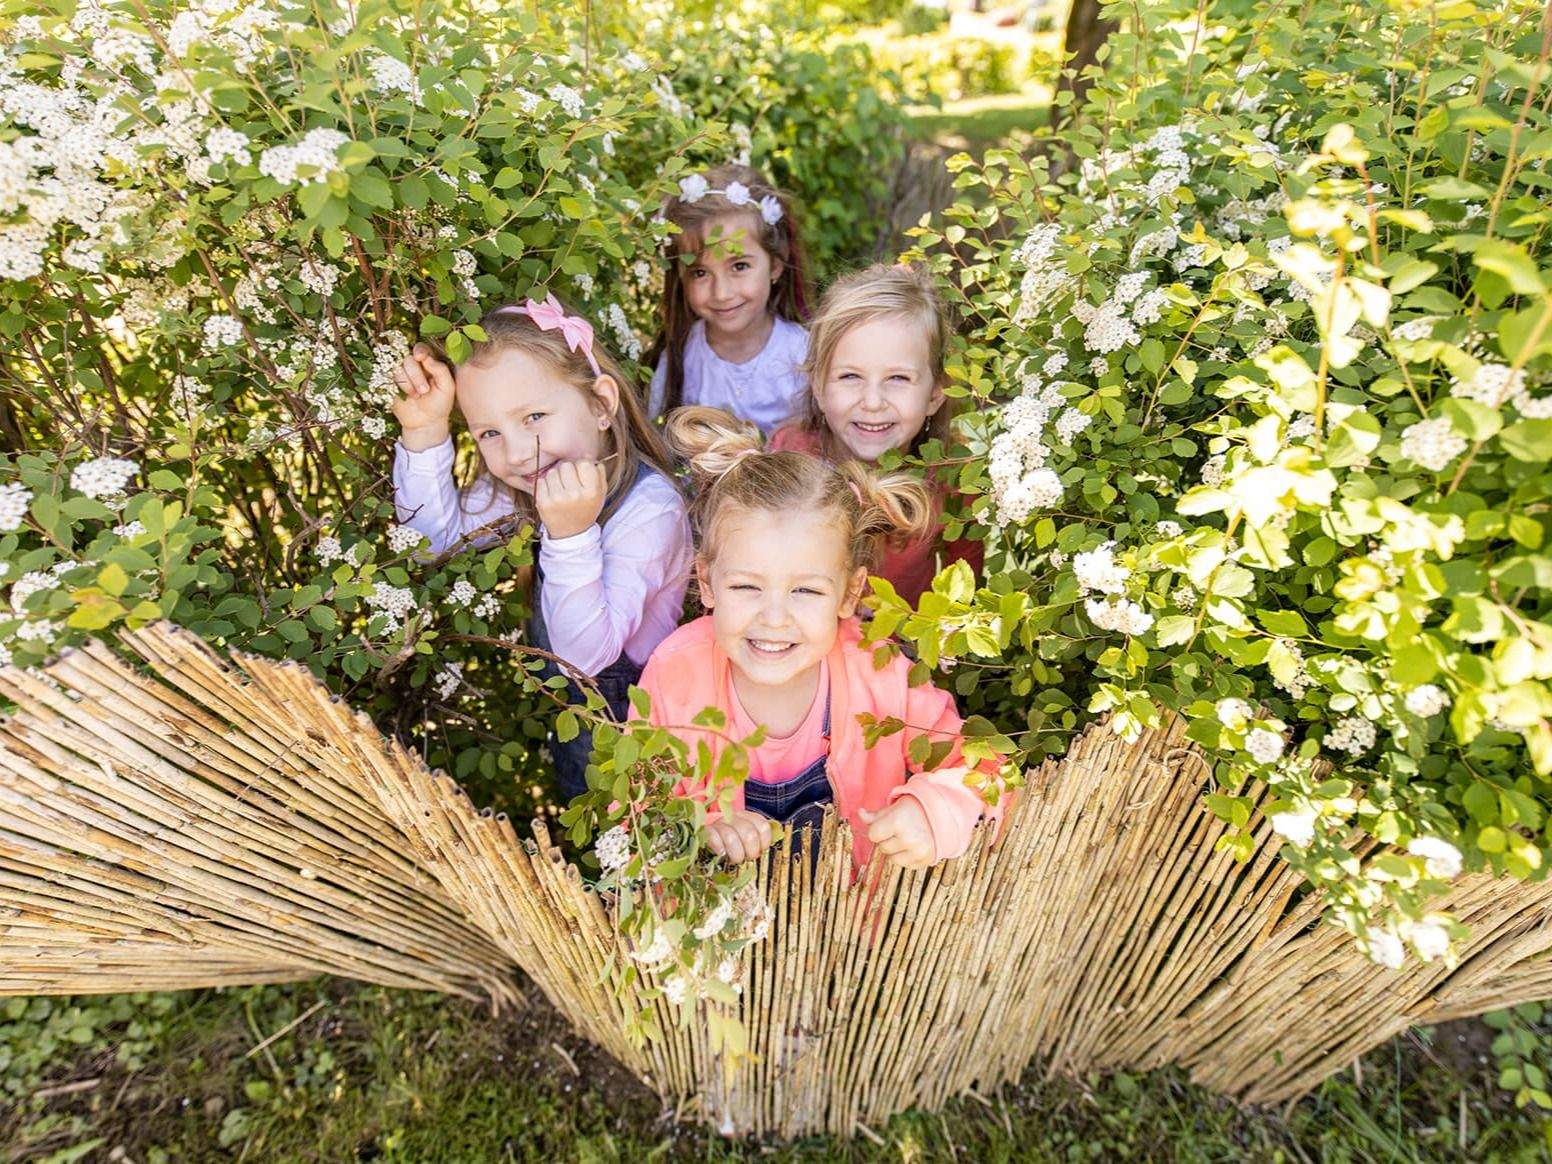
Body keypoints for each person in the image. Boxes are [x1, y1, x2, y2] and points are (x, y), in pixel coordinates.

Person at [638, 406, 1002, 874]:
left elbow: (986, 770)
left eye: (806, 591)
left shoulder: (881, 672)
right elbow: (634, 811)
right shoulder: (675, 674)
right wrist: (697, 828)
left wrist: (934, 808)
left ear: (849, 593)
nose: (774, 618)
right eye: (746, 587)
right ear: (707, 582)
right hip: (714, 934)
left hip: (849, 930)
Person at [391, 295, 692, 800]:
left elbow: (585, 657)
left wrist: (571, 535)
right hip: (575, 725)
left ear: (601, 405)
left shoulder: (649, 509)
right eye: (489, 431)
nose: (514, 452)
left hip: (644, 733)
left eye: (533, 416)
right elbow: (430, 544)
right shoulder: (526, 484)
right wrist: (424, 430)